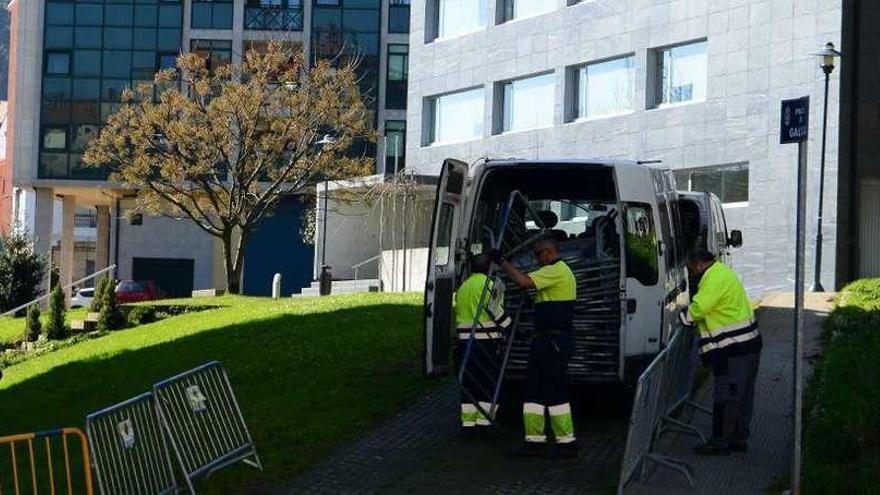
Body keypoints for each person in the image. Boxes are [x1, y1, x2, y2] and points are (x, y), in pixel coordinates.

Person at [497, 239, 579, 459]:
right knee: (534, 390)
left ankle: (566, 442)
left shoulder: (555, 270)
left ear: (548, 253)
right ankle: (536, 440)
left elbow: (523, 281)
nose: (536, 260)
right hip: (547, 341)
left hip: (553, 343)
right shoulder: (559, 272)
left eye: (538, 255)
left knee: (553, 390)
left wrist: (502, 262)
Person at [679, 249, 761, 456]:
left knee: (726, 396)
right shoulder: (722, 272)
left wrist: (681, 317)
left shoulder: (712, 279)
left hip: (732, 350)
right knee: (744, 396)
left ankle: (720, 442)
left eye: (690, 267)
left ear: (698, 265)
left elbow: (698, 309)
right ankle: (739, 438)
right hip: (748, 345)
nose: (690, 272)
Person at [454, 254, 512, 434]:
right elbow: (496, 311)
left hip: (465, 342)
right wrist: (510, 326)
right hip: (486, 342)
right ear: (490, 268)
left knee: (469, 381)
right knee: (487, 380)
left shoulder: (463, 287)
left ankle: (468, 424)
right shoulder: (492, 285)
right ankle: (485, 422)